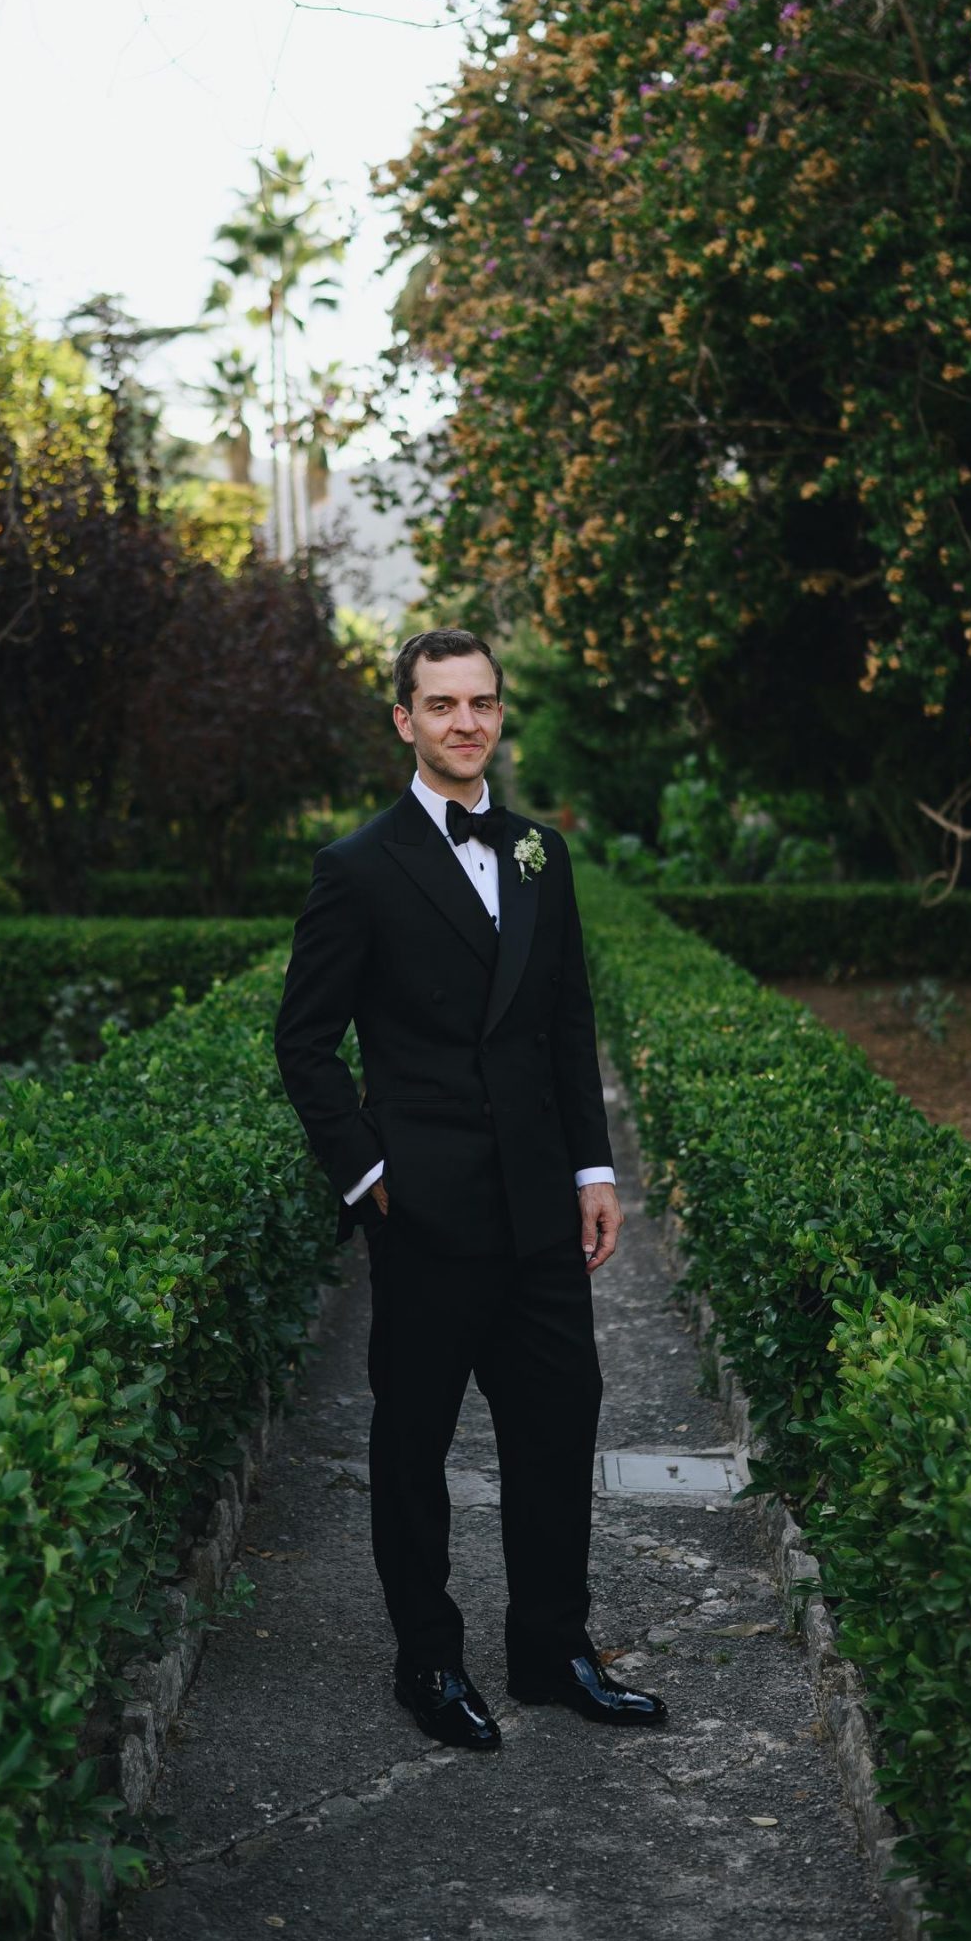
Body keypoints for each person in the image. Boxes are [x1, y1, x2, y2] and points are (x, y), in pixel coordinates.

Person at [273, 627, 666, 1751]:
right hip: (428, 1215)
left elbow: (565, 1023)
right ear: (403, 719)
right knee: (413, 1449)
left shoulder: (544, 851)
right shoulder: (356, 867)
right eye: (440, 704)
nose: (464, 721)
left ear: (500, 716)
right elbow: (304, 1043)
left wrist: (593, 1169)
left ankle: (554, 1650)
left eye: (481, 703)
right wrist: (371, 1176)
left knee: (557, 1428)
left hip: (541, 1209)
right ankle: (429, 1661)